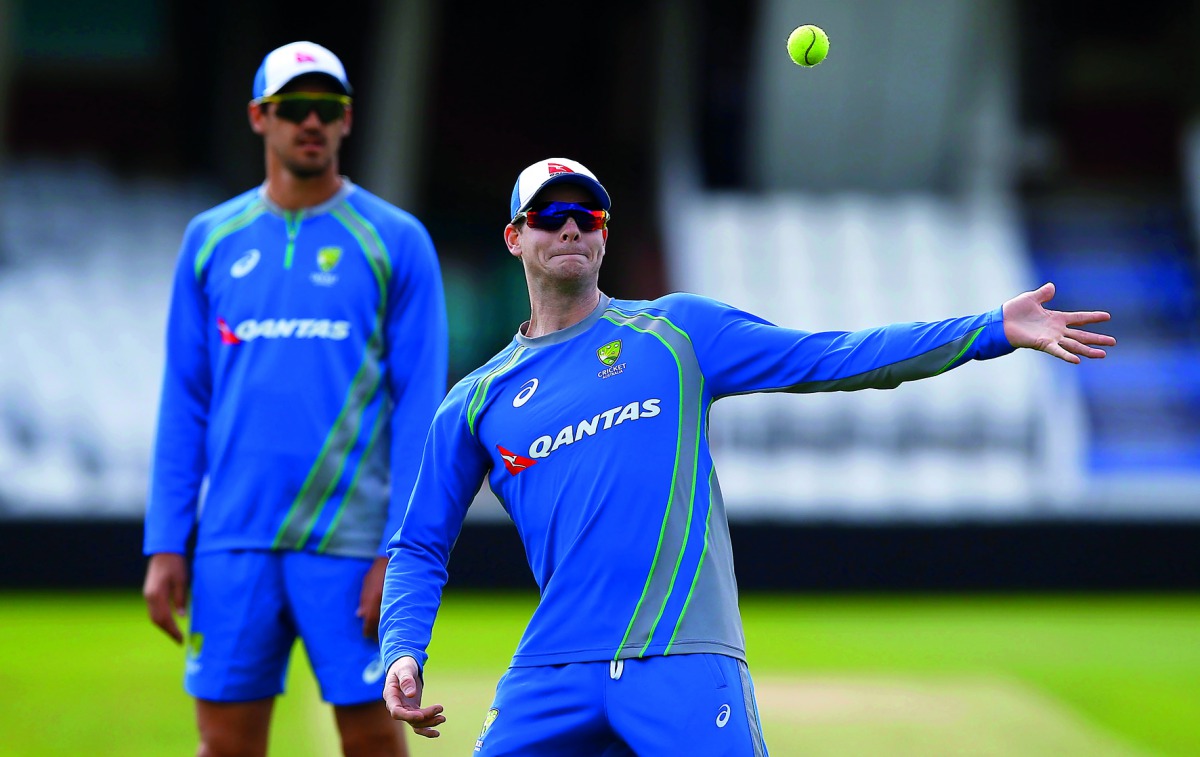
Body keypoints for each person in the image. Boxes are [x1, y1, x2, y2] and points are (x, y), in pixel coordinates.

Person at [377, 157, 1115, 754]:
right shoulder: (476, 399)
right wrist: (404, 648)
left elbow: (835, 356)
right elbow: (420, 542)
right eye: (549, 214)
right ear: (515, 237)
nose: (570, 224)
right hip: (553, 668)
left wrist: (991, 328)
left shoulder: (678, 334)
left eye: (587, 214)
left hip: (684, 658)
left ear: (603, 235)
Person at [142, 41, 447, 757]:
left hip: (351, 543)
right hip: (233, 539)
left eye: (327, 107)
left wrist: (398, 554)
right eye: (294, 107)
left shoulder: (396, 241)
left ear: (347, 120)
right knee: (225, 744)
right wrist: (166, 541)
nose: (311, 121)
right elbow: (184, 399)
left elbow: (420, 411)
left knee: (373, 740)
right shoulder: (210, 239)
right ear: (259, 117)